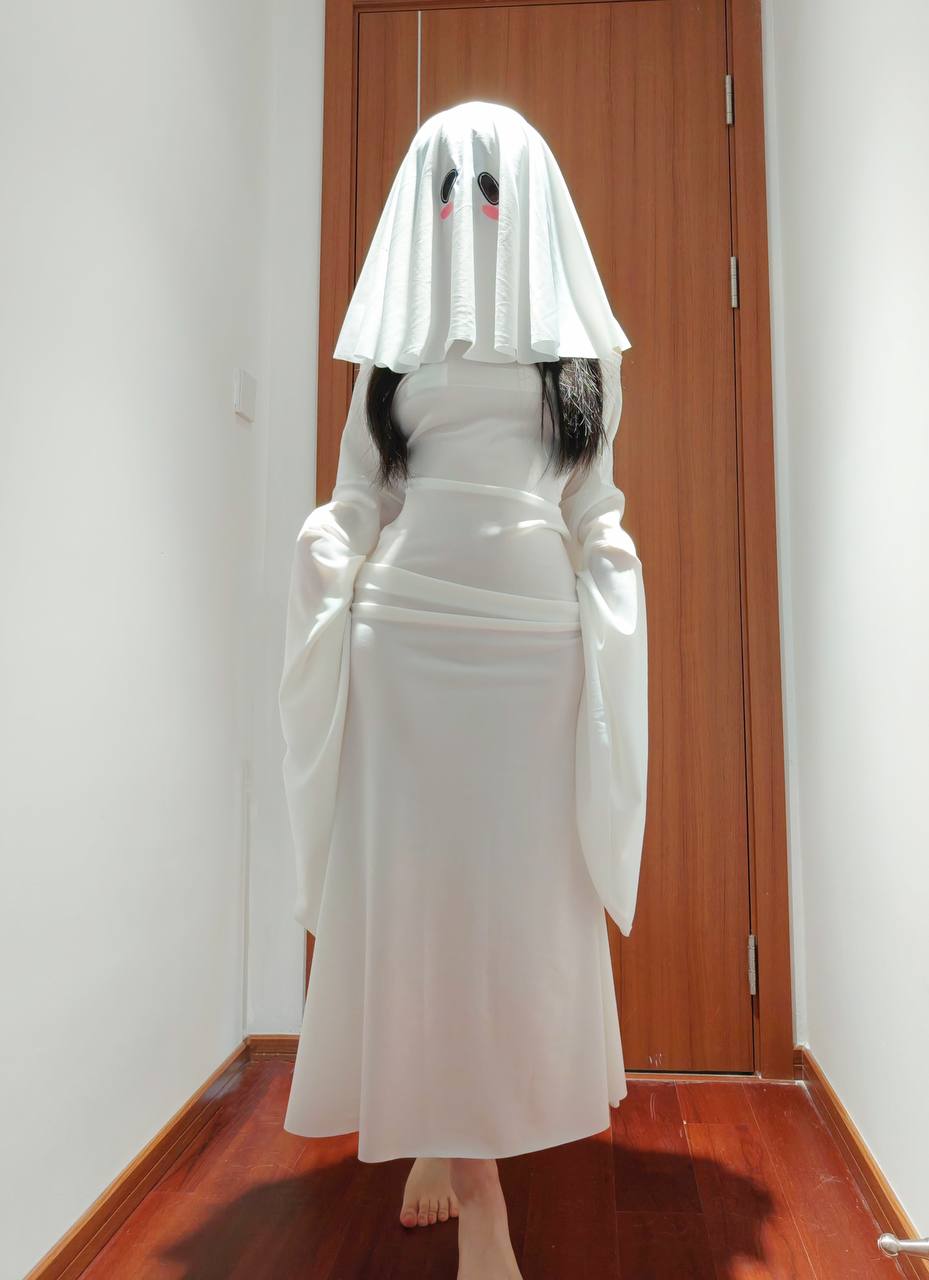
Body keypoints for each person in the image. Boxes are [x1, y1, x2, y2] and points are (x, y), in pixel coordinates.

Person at [278, 100, 648, 1279]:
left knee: (510, 905)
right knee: (422, 900)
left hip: (532, 655)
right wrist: (325, 556)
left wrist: (611, 594)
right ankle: (470, 1176)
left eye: (489, 189)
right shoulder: (393, 350)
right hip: (406, 645)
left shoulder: (579, 351)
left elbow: (593, 504)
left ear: (530, 202)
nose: (466, 212)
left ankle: (454, 1126)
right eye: (443, 189)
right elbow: (360, 495)